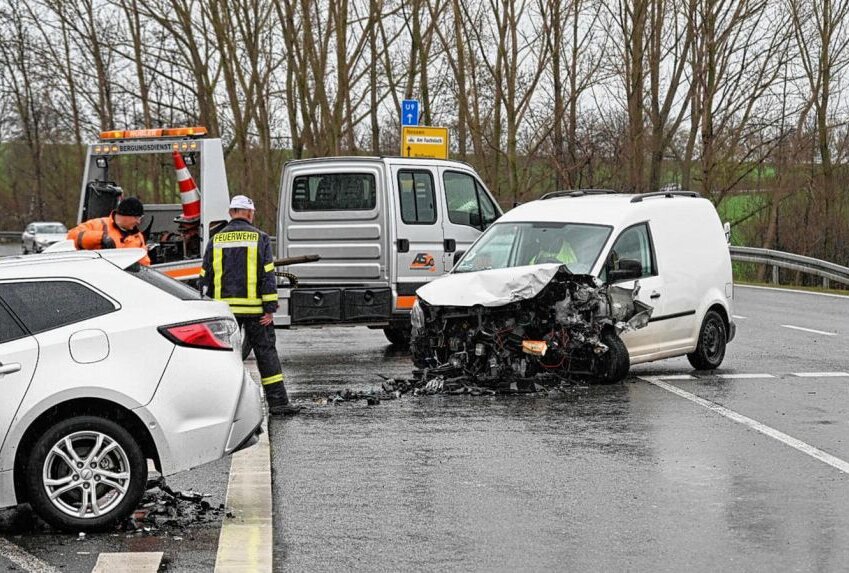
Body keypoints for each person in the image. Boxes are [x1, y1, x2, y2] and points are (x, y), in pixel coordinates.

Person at [199, 195, 300, 416]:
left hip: (225, 313)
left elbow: (205, 276)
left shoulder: (216, 239)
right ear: (249, 213)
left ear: (231, 212)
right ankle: (279, 404)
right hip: (256, 312)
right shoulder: (260, 238)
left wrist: (207, 310)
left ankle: (220, 408)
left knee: (223, 358)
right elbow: (267, 275)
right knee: (266, 355)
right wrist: (270, 308)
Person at [67, 196, 150, 265]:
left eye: (140, 218)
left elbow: (145, 265)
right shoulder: (99, 224)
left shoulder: (138, 237)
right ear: (125, 215)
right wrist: (100, 238)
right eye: (136, 218)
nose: (138, 222)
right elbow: (71, 236)